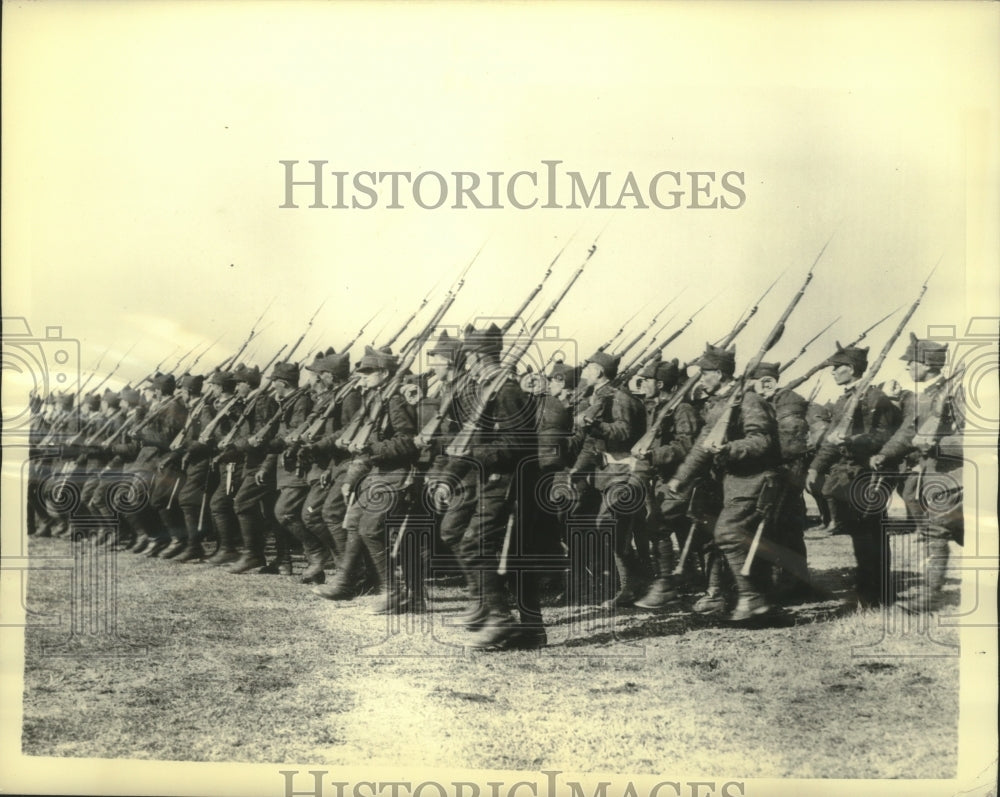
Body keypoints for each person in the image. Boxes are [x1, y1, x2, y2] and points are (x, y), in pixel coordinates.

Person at [671, 344, 782, 622]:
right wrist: (679, 479)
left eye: (705, 373)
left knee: (728, 533)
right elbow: (701, 447)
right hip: (735, 481)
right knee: (725, 536)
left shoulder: (749, 401)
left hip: (756, 479)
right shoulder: (720, 405)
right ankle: (750, 600)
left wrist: (729, 449)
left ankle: (752, 600)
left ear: (719, 373)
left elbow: (762, 441)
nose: (701, 378)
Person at [872, 333, 963, 613]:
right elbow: (907, 433)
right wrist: (885, 453)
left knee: (936, 532)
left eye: (911, 362)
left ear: (927, 363)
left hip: (955, 476)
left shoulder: (956, 394)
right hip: (932, 476)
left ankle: (929, 596)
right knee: (949, 533)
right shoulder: (922, 397)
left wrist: (938, 443)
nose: (908, 368)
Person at [806, 343, 901, 608]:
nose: (833, 373)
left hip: (872, 472)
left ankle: (877, 594)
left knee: (871, 534)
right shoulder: (843, 400)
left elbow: (883, 435)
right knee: (859, 533)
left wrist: (850, 440)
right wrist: (815, 466)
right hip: (850, 474)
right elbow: (830, 440)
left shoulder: (875, 398)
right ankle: (868, 590)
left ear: (852, 369)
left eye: (838, 368)